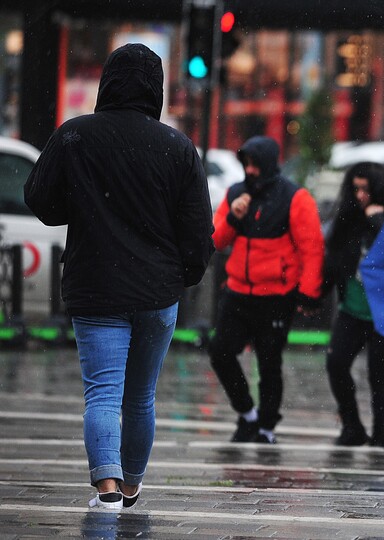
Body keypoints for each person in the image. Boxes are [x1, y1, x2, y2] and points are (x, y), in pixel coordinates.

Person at [23, 44, 214, 510]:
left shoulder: (75, 137)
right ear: (157, 87)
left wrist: (85, 202)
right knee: (140, 397)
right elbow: (197, 229)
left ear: (108, 81)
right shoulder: (177, 147)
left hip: (96, 287)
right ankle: (130, 485)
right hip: (157, 291)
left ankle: (106, 488)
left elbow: (41, 202)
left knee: (103, 393)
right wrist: (183, 275)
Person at [208, 135, 324, 445]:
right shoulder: (236, 193)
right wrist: (234, 216)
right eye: (246, 164)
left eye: (255, 164)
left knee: (269, 362)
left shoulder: (295, 198)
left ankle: (266, 426)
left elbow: (311, 248)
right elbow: (216, 240)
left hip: (276, 295)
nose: (250, 170)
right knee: (220, 353)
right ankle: (247, 413)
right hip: (237, 292)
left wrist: (308, 292)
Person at [322, 162, 384, 447]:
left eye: (366, 189)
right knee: (336, 364)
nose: (360, 195)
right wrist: (317, 294)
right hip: (353, 309)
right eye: (355, 188)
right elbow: (333, 260)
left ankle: (379, 439)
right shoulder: (348, 218)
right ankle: (352, 425)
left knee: (379, 375)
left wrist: (377, 220)